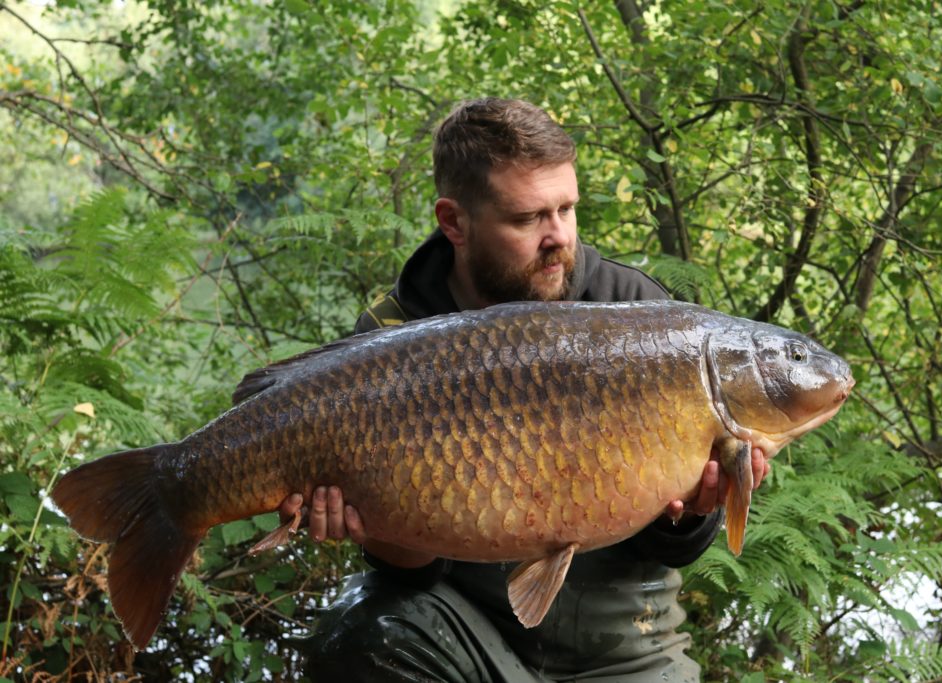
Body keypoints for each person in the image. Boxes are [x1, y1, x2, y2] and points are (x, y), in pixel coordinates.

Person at [279, 97, 770, 682]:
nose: (558, 237)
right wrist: (374, 527)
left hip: (622, 645)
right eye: (528, 218)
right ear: (454, 222)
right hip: (464, 630)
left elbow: (677, 550)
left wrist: (692, 511)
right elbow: (411, 576)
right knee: (358, 636)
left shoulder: (639, 315)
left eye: (567, 209)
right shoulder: (394, 336)